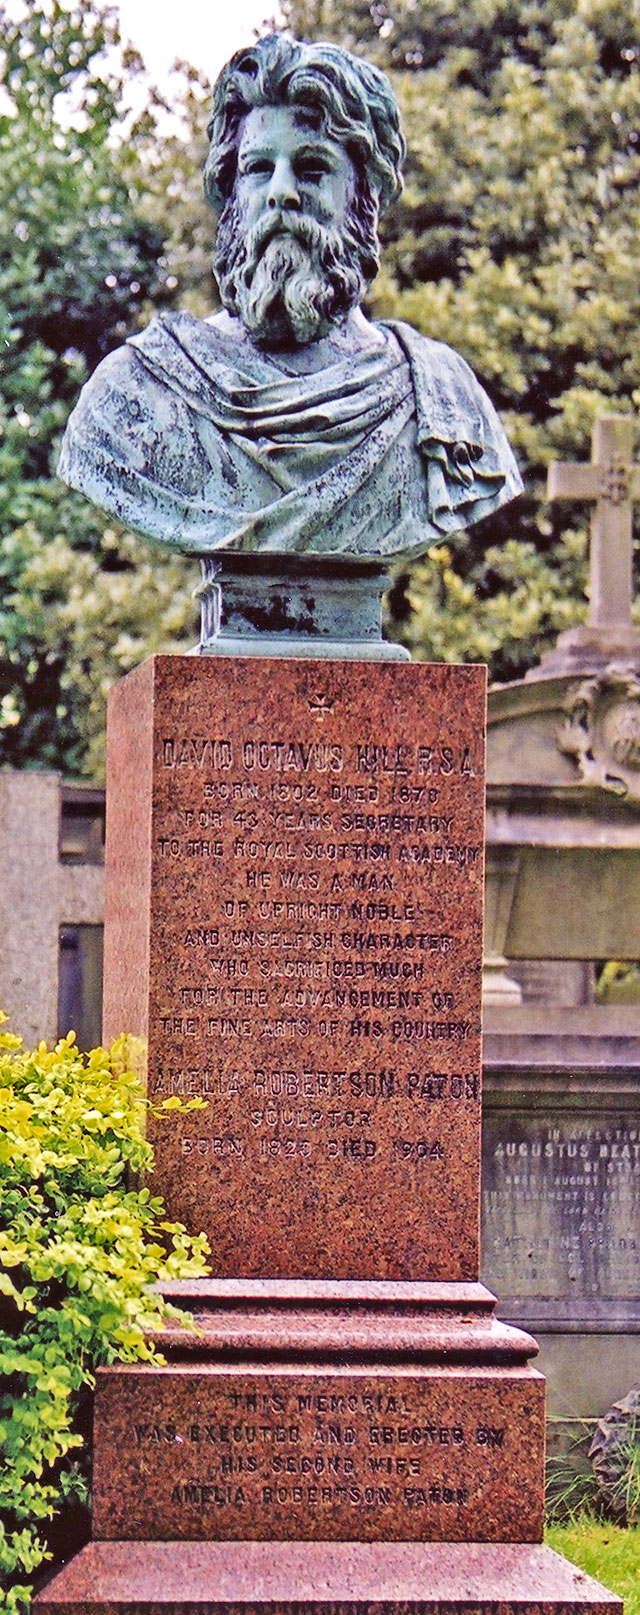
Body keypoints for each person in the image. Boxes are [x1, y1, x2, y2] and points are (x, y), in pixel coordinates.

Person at [58, 33, 522, 560]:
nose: (282, 192)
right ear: (231, 191)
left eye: (312, 168)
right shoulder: (133, 397)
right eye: (259, 168)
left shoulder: (441, 403)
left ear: (363, 196)